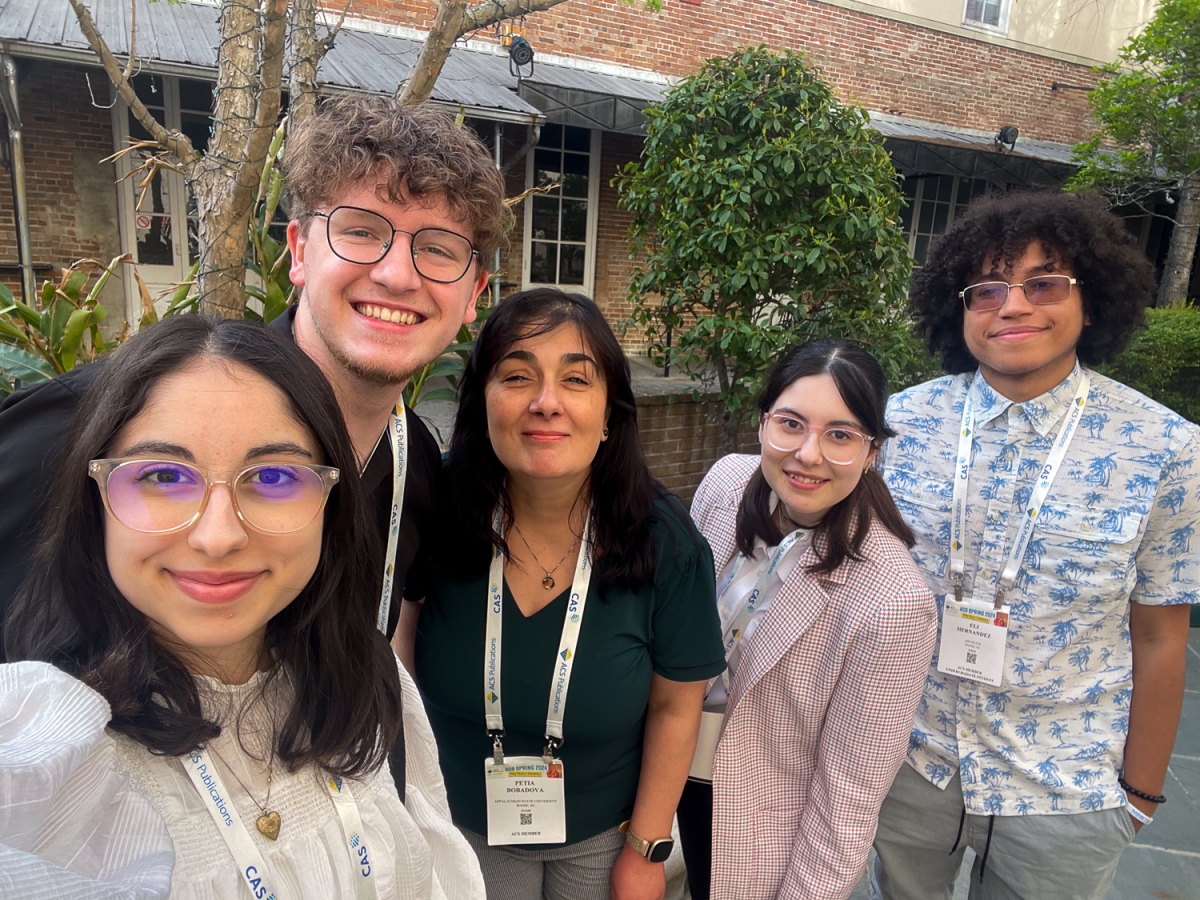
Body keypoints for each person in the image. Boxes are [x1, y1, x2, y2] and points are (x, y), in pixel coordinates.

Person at [0, 96, 508, 660]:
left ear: (472, 295)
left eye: (438, 248)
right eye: (361, 232)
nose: (395, 274)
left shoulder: (415, 470)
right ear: (298, 251)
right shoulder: (95, 424)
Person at [1, 315, 483, 898]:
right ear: (94, 496)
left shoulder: (368, 685)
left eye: (275, 475)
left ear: (333, 505)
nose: (218, 536)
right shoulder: (47, 758)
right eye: (161, 475)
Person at [872, 191, 1199, 900]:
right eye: (986, 289)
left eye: (1043, 282)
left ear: (1093, 300)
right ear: (956, 309)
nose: (1012, 306)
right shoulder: (900, 426)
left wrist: (1140, 793)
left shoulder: (1167, 450)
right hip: (911, 764)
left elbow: (1161, 634)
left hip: (1065, 786)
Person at [400, 289, 726, 900]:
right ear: (482, 402)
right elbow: (399, 649)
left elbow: (677, 708)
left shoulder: (666, 540)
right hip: (458, 824)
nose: (545, 403)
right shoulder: (433, 510)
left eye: (576, 380)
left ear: (609, 413)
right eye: (518, 376)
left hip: (606, 836)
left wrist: (647, 849)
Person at [682, 340, 938, 900]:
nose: (808, 454)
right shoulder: (726, 486)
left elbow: (847, 797)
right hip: (656, 778)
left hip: (752, 828)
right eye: (791, 424)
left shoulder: (893, 603)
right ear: (763, 421)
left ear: (872, 452)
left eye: (840, 435)